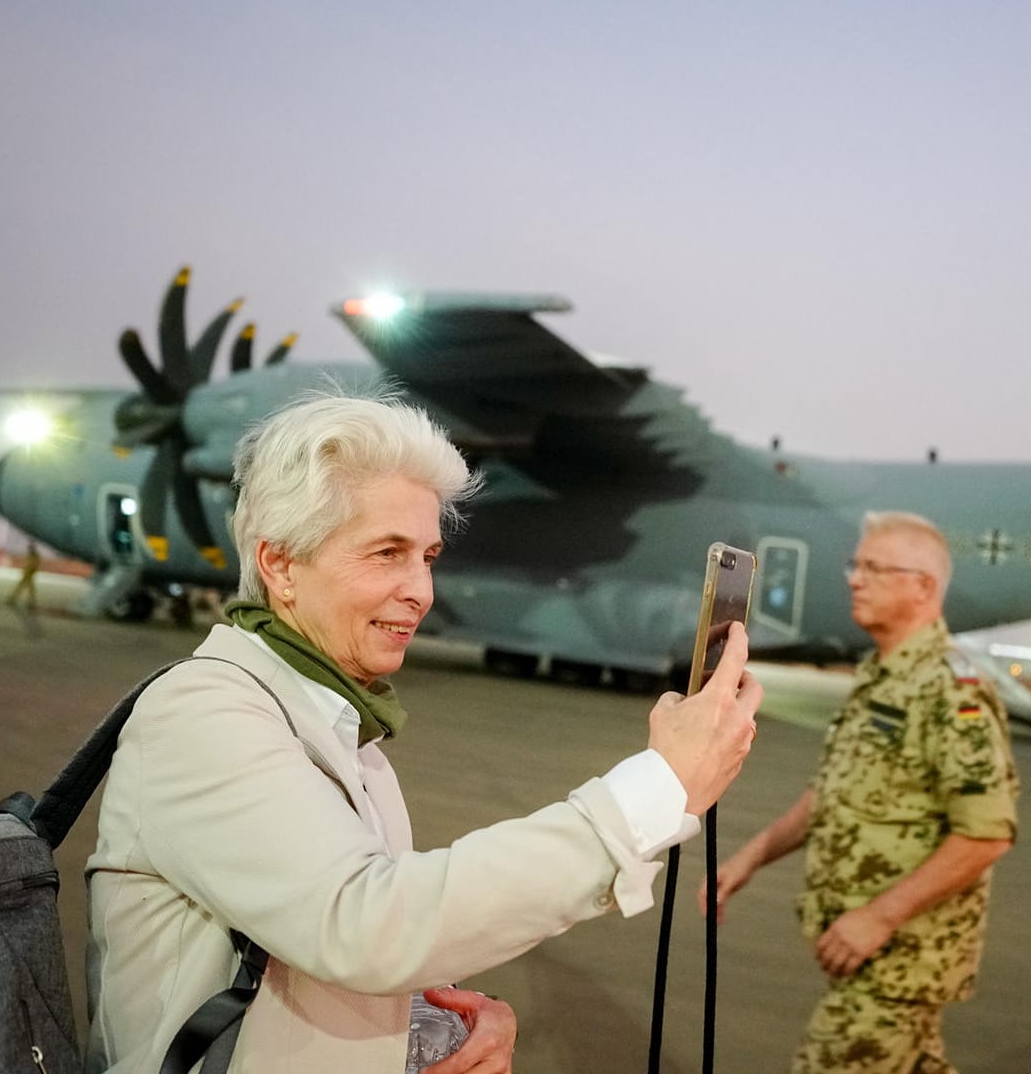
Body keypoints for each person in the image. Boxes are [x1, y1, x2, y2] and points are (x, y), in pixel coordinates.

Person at [85, 393, 762, 1073]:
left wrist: (443, 1018)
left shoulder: (338, 723)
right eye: (387, 553)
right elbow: (363, 926)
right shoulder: (206, 714)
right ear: (281, 565)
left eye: (428, 556)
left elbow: (316, 953)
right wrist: (650, 793)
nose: (422, 590)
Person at [706, 511, 1019, 1073]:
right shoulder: (882, 674)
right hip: (878, 960)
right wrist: (748, 860)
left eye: (875, 568)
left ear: (923, 587)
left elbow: (986, 833)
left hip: (899, 961)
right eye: (856, 565)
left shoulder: (951, 689)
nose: (854, 578)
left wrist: (879, 917)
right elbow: (833, 792)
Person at [4, 540, 40, 610]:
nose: (29, 549)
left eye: (30, 548)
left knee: (24, 588)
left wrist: (31, 571)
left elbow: (34, 565)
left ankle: (14, 599)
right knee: (28, 589)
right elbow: (30, 564)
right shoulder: (32, 555)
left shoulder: (34, 556)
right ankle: (30, 602)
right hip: (27, 574)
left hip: (29, 574)